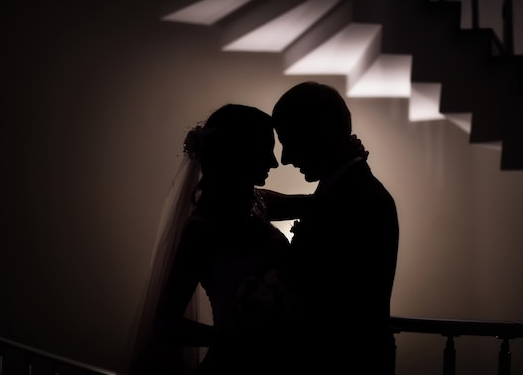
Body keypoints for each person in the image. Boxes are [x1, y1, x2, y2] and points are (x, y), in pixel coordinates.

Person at [126, 103, 306, 375]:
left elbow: (319, 203)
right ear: (239, 153)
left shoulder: (259, 202)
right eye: (265, 149)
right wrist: (231, 338)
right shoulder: (202, 231)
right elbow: (165, 324)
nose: (274, 162)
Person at [269, 81, 400, 375]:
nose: (285, 158)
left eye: (288, 139)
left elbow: (339, 307)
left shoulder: (362, 200)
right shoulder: (339, 193)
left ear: (323, 131)